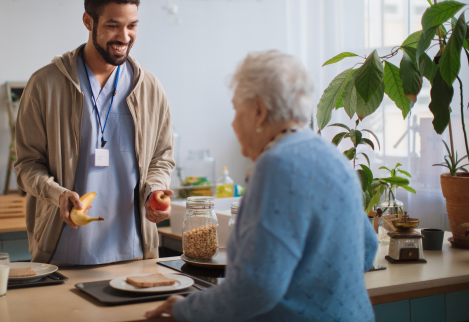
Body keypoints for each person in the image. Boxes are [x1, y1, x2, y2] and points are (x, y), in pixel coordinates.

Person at [146, 51, 378, 321]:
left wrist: (185, 308)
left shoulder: (277, 165)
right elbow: (368, 247)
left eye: (236, 109)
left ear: (259, 110)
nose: (232, 122)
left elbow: (256, 288)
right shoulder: (333, 157)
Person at [14, 0, 174, 265]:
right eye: (113, 25)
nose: (124, 37)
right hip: (64, 252)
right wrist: (57, 195)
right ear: (88, 21)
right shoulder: (44, 85)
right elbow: (26, 165)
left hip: (134, 251)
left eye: (132, 25)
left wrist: (155, 189)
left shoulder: (149, 88)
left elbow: (162, 157)